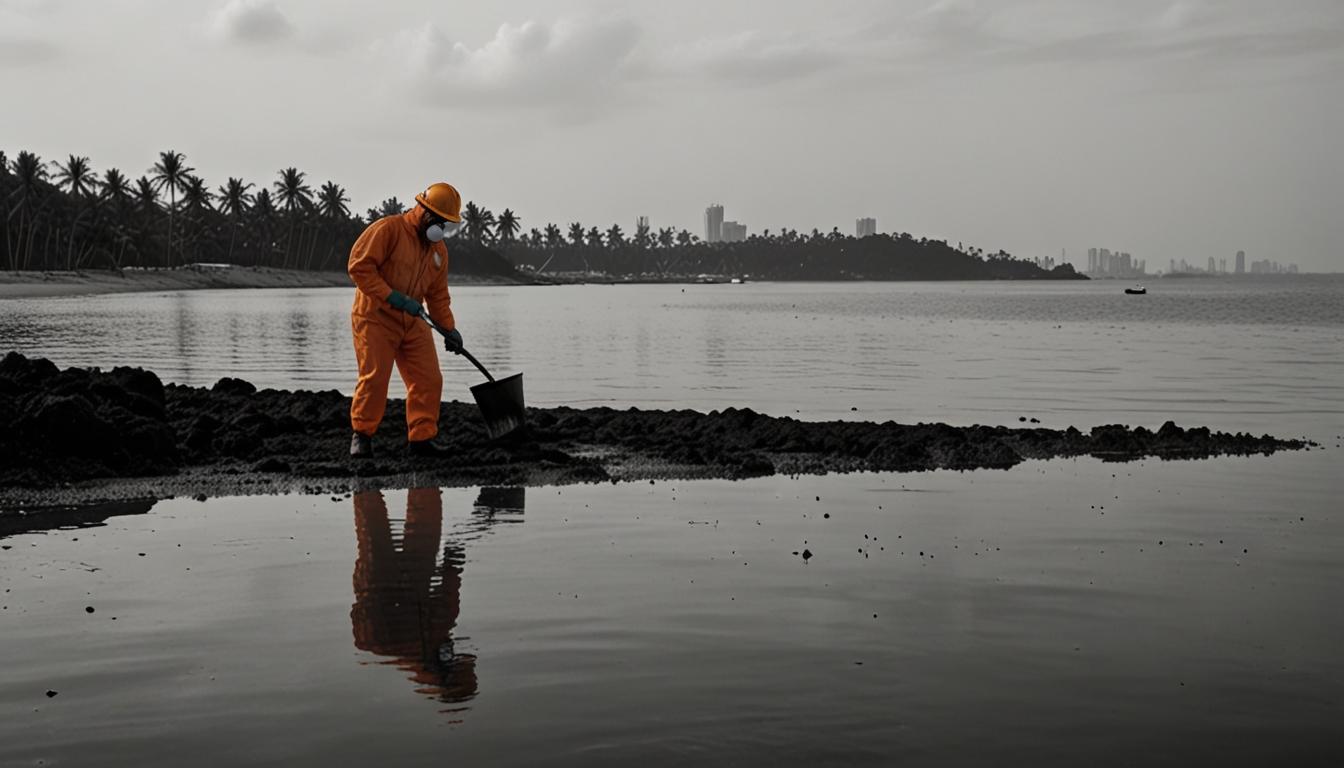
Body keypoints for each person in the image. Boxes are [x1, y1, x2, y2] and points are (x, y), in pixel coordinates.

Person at [348, 182, 464, 458]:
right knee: (375, 379)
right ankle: (362, 436)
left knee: (429, 379)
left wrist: (449, 329)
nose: (443, 229)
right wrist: (393, 297)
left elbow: (438, 296)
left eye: (448, 225)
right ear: (426, 214)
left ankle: (421, 441)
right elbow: (359, 267)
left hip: (413, 321)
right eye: (441, 222)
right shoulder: (388, 230)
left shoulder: (439, 251)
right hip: (375, 318)